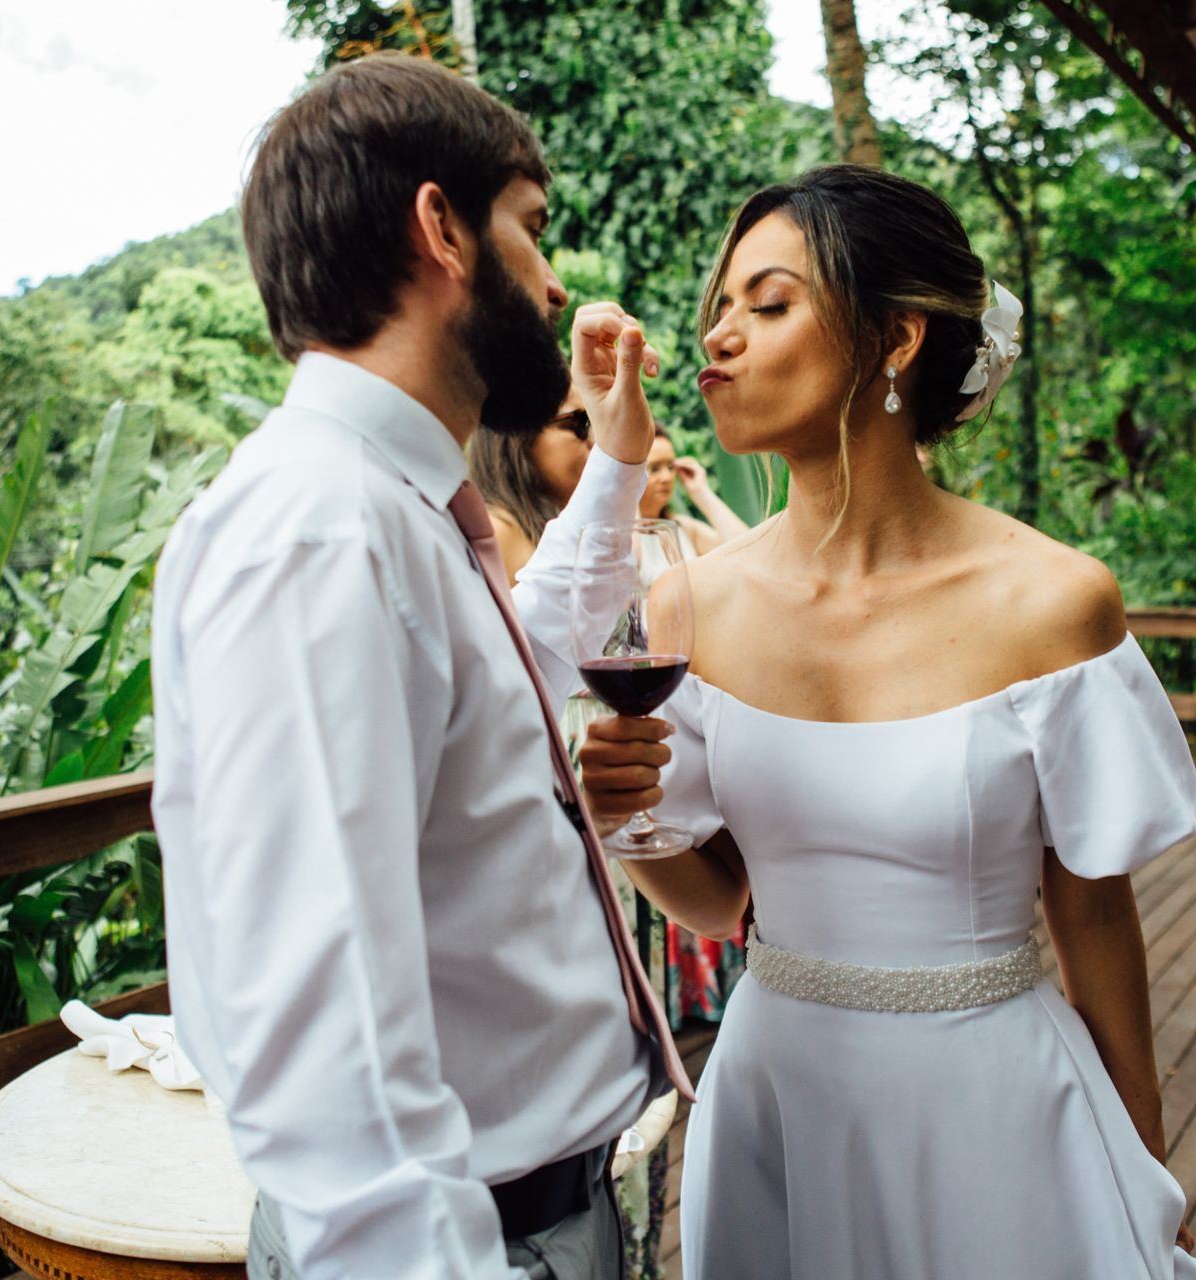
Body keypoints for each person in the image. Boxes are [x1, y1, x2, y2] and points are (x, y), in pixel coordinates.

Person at [566, 166, 1196, 1279]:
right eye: (720, 307)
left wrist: (1143, 1155)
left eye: (767, 305)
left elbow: (1094, 912)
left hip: (994, 1101)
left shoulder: (1054, 602)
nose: (719, 337)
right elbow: (717, 899)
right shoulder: (680, 605)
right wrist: (617, 816)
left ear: (898, 338)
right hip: (778, 1094)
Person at [150, 54, 693, 1280]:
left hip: (543, 1213)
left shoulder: (392, 510)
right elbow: (321, 1032)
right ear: (443, 227)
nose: (554, 285)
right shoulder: (319, 531)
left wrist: (615, 462)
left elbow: (525, 654)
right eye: (530, 228)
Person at [468, 387, 592, 584]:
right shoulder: (495, 533)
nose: (593, 441)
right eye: (578, 423)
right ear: (518, 434)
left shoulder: (556, 526)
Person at [637, 424, 750, 557]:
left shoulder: (684, 529)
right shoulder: (618, 536)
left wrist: (701, 492)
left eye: (670, 467)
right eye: (654, 468)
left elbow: (747, 551)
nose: (667, 477)